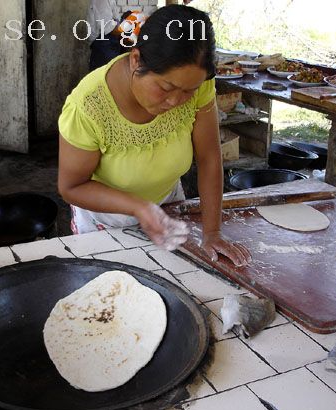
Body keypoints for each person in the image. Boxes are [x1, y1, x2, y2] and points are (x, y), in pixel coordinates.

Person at [58, 5, 251, 267]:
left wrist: (212, 232)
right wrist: (140, 207)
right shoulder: (89, 106)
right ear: (136, 59)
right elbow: (72, 187)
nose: (175, 101)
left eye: (188, 91)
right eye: (166, 87)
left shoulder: (199, 83)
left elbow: (208, 157)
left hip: (167, 208)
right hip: (106, 220)